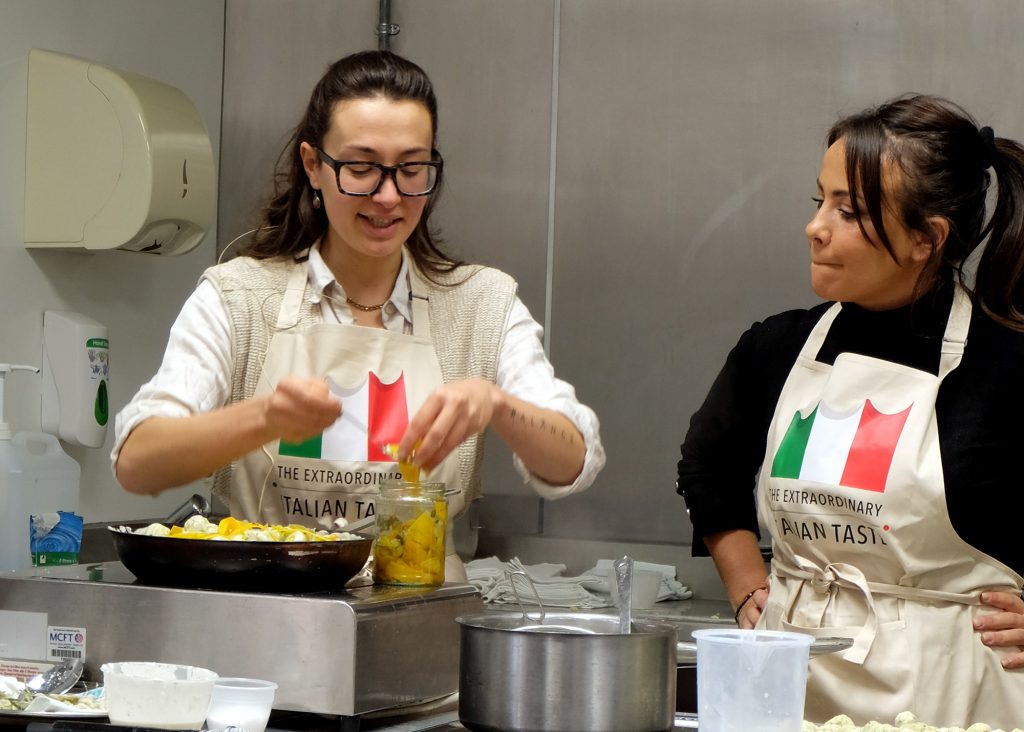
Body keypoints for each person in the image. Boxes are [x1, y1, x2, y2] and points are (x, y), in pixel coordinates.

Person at [112, 50, 605, 581]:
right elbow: (137, 461)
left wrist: (498, 405)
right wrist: (264, 418)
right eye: (362, 168)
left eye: (412, 169)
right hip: (264, 611)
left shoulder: (481, 303)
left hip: (418, 619)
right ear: (313, 166)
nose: (388, 195)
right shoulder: (239, 296)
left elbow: (573, 462)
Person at [677, 94, 1024, 729]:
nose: (816, 227)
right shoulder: (776, 349)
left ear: (928, 238)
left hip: (952, 692)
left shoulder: (1008, 368)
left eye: (850, 211)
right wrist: (749, 586)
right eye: (820, 202)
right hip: (791, 677)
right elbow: (707, 468)